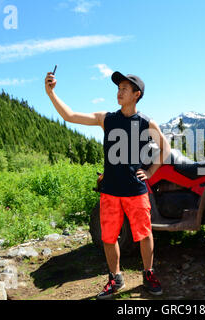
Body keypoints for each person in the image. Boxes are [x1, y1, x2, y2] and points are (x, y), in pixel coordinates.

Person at [45, 70, 171, 299]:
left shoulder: (146, 122)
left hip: (136, 190)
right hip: (110, 190)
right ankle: (115, 278)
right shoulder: (107, 119)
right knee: (109, 237)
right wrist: (51, 93)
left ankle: (148, 273)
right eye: (118, 88)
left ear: (136, 94)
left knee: (144, 234)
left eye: (124, 89)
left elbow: (166, 149)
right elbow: (70, 116)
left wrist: (151, 172)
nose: (119, 92)